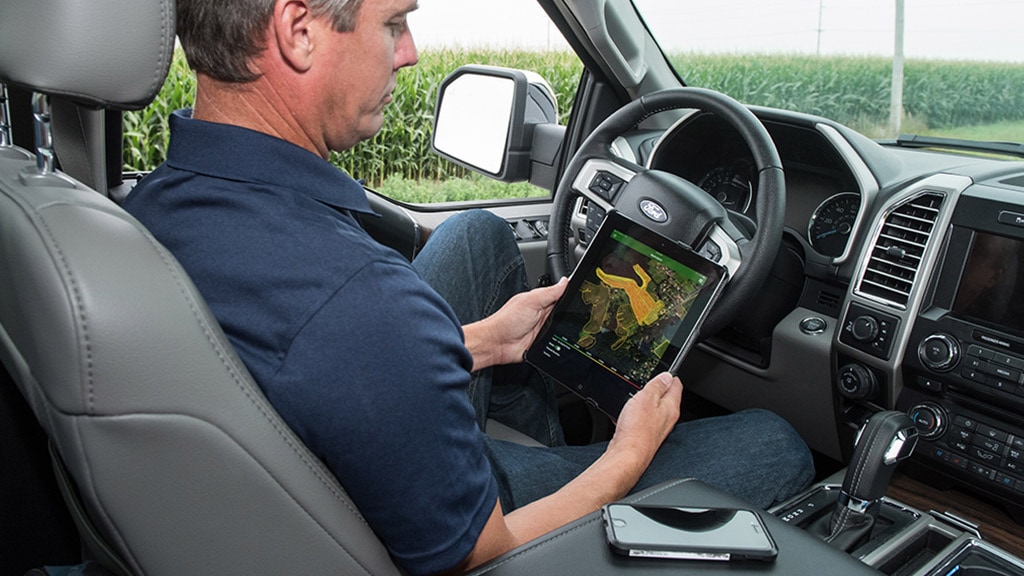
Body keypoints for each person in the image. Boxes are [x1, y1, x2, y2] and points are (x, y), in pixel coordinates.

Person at [123, 0, 814, 573]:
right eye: (393, 23)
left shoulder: (145, 208)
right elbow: (485, 556)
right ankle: (559, 456)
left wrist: (480, 343)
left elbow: (317, 359)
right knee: (777, 443)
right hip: (452, 520)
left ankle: (539, 427)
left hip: (320, 462)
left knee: (478, 234)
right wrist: (625, 453)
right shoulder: (362, 300)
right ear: (298, 31)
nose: (412, 52)